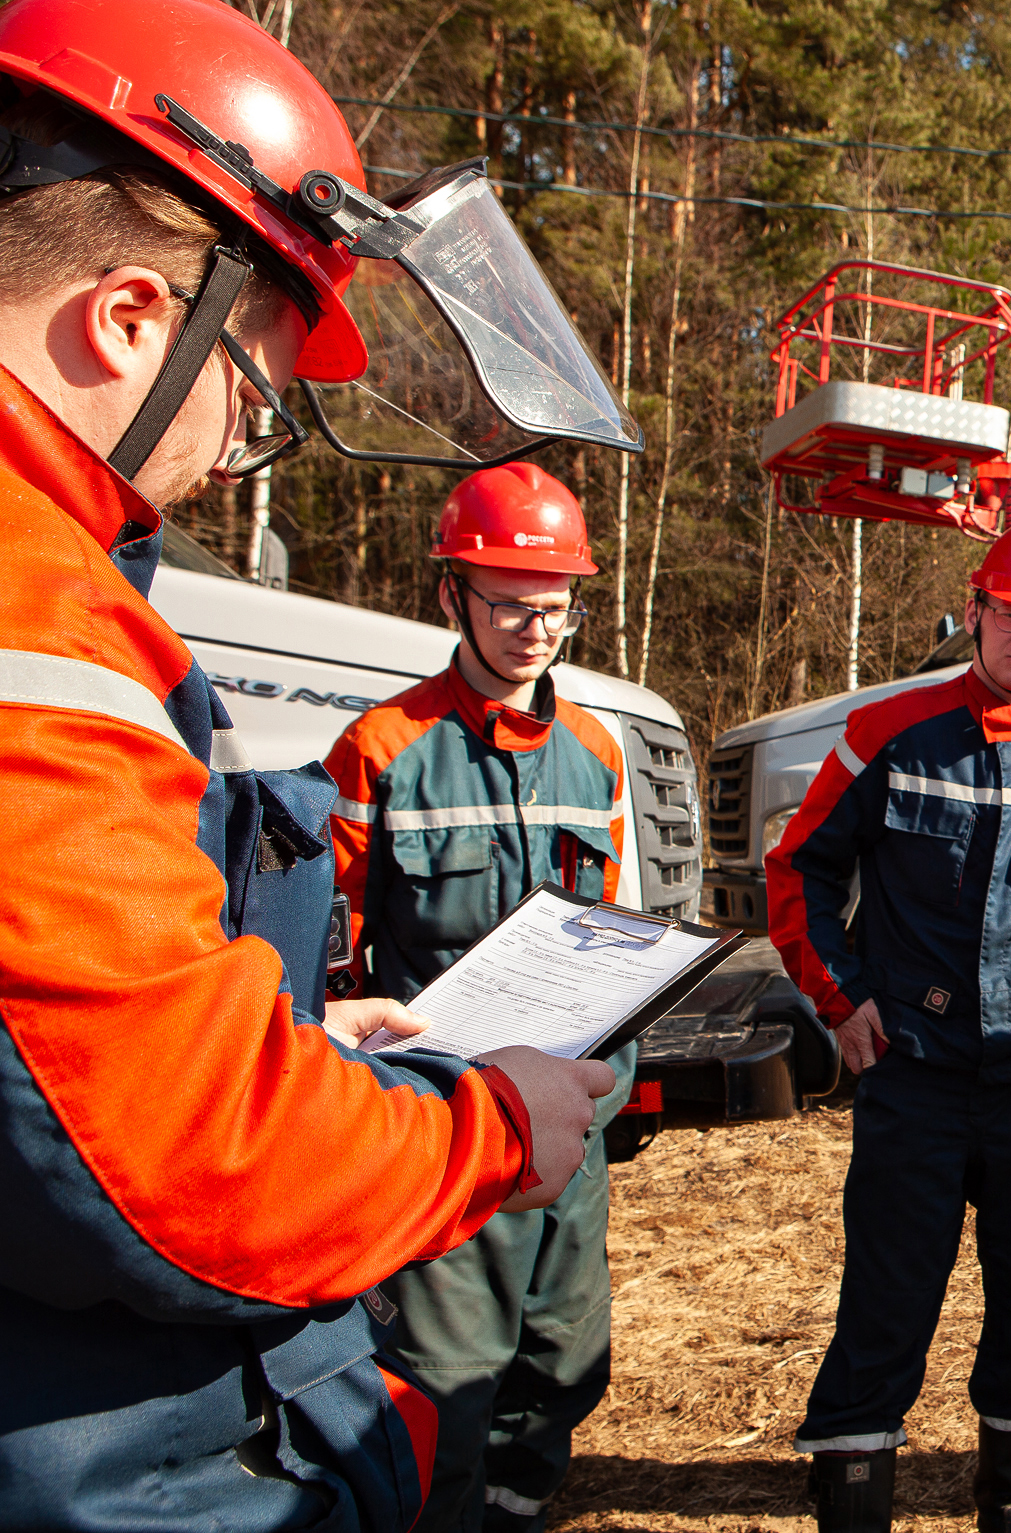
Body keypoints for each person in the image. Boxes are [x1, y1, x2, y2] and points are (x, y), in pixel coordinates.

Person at [0, 0, 632, 1523]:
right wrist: (486, 1129)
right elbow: (183, 1157)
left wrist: (290, 1031)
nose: (237, 448)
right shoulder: (38, 619)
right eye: (255, 386)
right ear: (130, 319)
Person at [765, 517, 1011, 1533]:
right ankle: (853, 1490)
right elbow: (799, 868)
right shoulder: (887, 733)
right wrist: (840, 998)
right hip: (916, 1072)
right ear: (975, 610)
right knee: (889, 1295)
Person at [325, 464, 633, 1532]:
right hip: (445, 1116)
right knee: (449, 1372)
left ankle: (519, 1503)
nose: (535, 631)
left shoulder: (595, 753)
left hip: (568, 1119)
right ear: (450, 594)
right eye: (509, 606)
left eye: (556, 608)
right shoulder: (381, 748)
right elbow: (335, 954)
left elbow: (614, 926)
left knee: (564, 1353)